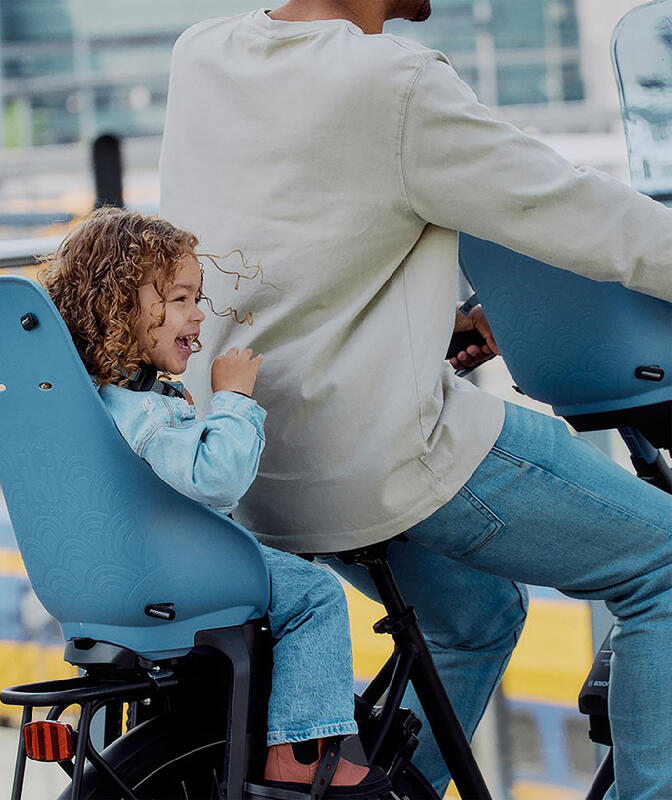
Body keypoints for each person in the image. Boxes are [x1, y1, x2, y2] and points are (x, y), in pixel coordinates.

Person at [158, 1, 672, 797]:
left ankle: (394, 791)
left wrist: (437, 318)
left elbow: (297, 250)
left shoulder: (202, 55)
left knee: (476, 623)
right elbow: (581, 212)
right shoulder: (393, 80)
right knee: (666, 564)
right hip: (378, 457)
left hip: (249, 462)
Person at [39, 207, 391, 798]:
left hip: (98, 576)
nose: (199, 314)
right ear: (120, 307)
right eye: (179, 298)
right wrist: (233, 399)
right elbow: (217, 478)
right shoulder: (143, 407)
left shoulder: (80, 402)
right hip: (174, 570)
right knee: (314, 595)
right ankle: (301, 756)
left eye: (197, 298)